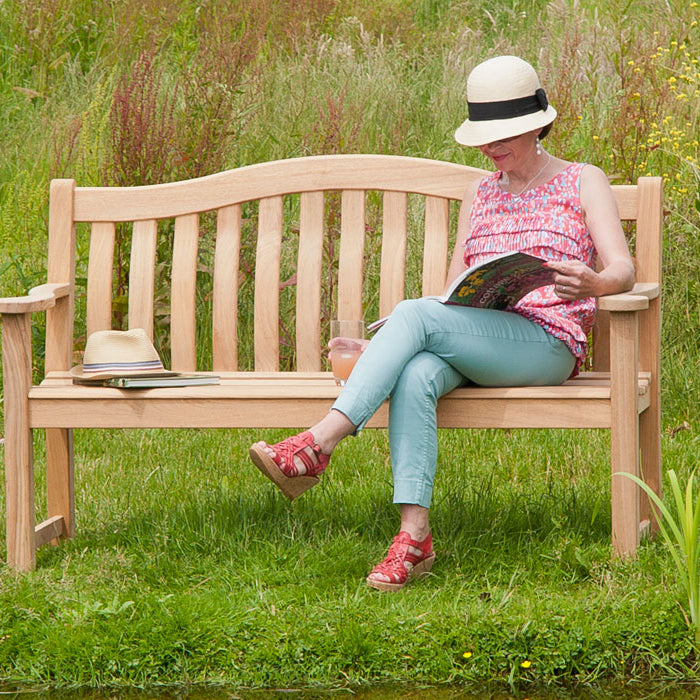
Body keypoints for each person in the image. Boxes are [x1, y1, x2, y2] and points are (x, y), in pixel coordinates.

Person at [249, 55, 635, 592]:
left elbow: (623, 267)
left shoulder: (581, 180)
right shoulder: (480, 193)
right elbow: (451, 299)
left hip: (546, 345)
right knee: (417, 372)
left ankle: (320, 444)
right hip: (477, 338)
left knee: (416, 320)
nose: (491, 148)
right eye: (485, 136)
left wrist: (594, 284)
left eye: (503, 136)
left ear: (535, 125)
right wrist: (386, 345)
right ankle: (415, 537)